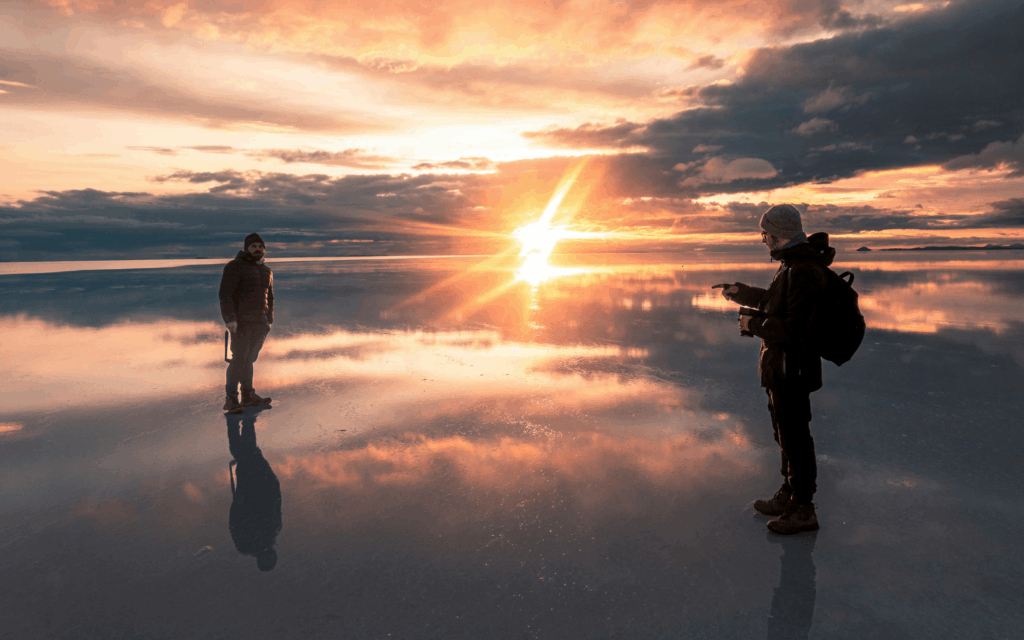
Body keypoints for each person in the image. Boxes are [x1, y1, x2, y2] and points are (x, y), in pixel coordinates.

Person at [718, 204, 833, 535]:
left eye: (765, 233)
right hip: (781, 370)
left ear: (780, 234)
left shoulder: (805, 271)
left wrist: (754, 325)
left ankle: (804, 508)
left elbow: (797, 328)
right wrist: (744, 293)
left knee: (796, 437)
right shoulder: (790, 267)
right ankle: (789, 494)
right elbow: (775, 302)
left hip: (792, 370)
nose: (762, 239)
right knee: (784, 434)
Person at [219, 233, 274, 412]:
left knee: (249, 359)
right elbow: (225, 295)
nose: (257, 249)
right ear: (246, 249)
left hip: (261, 323)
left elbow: (270, 297)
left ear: (264, 249)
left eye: (260, 246)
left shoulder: (267, 271)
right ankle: (231, 399)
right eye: (253, 246)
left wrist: (269, 320)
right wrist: (230, 319)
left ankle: (248, 395)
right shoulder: (235, 267)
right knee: (238, 360)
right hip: (241, 323)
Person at [226, 411, 282, 571]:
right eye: (273, 558)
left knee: (246, 454)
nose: (272, 555)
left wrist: (237, 504)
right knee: (247, 454)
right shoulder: (273, 532)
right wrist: (274, 483)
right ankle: (239, 422)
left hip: (251, 493)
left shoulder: (246, 543)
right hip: (261, 488)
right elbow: (276, 503)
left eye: (270, 559)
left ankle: (244, 421)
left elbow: (235, 524)